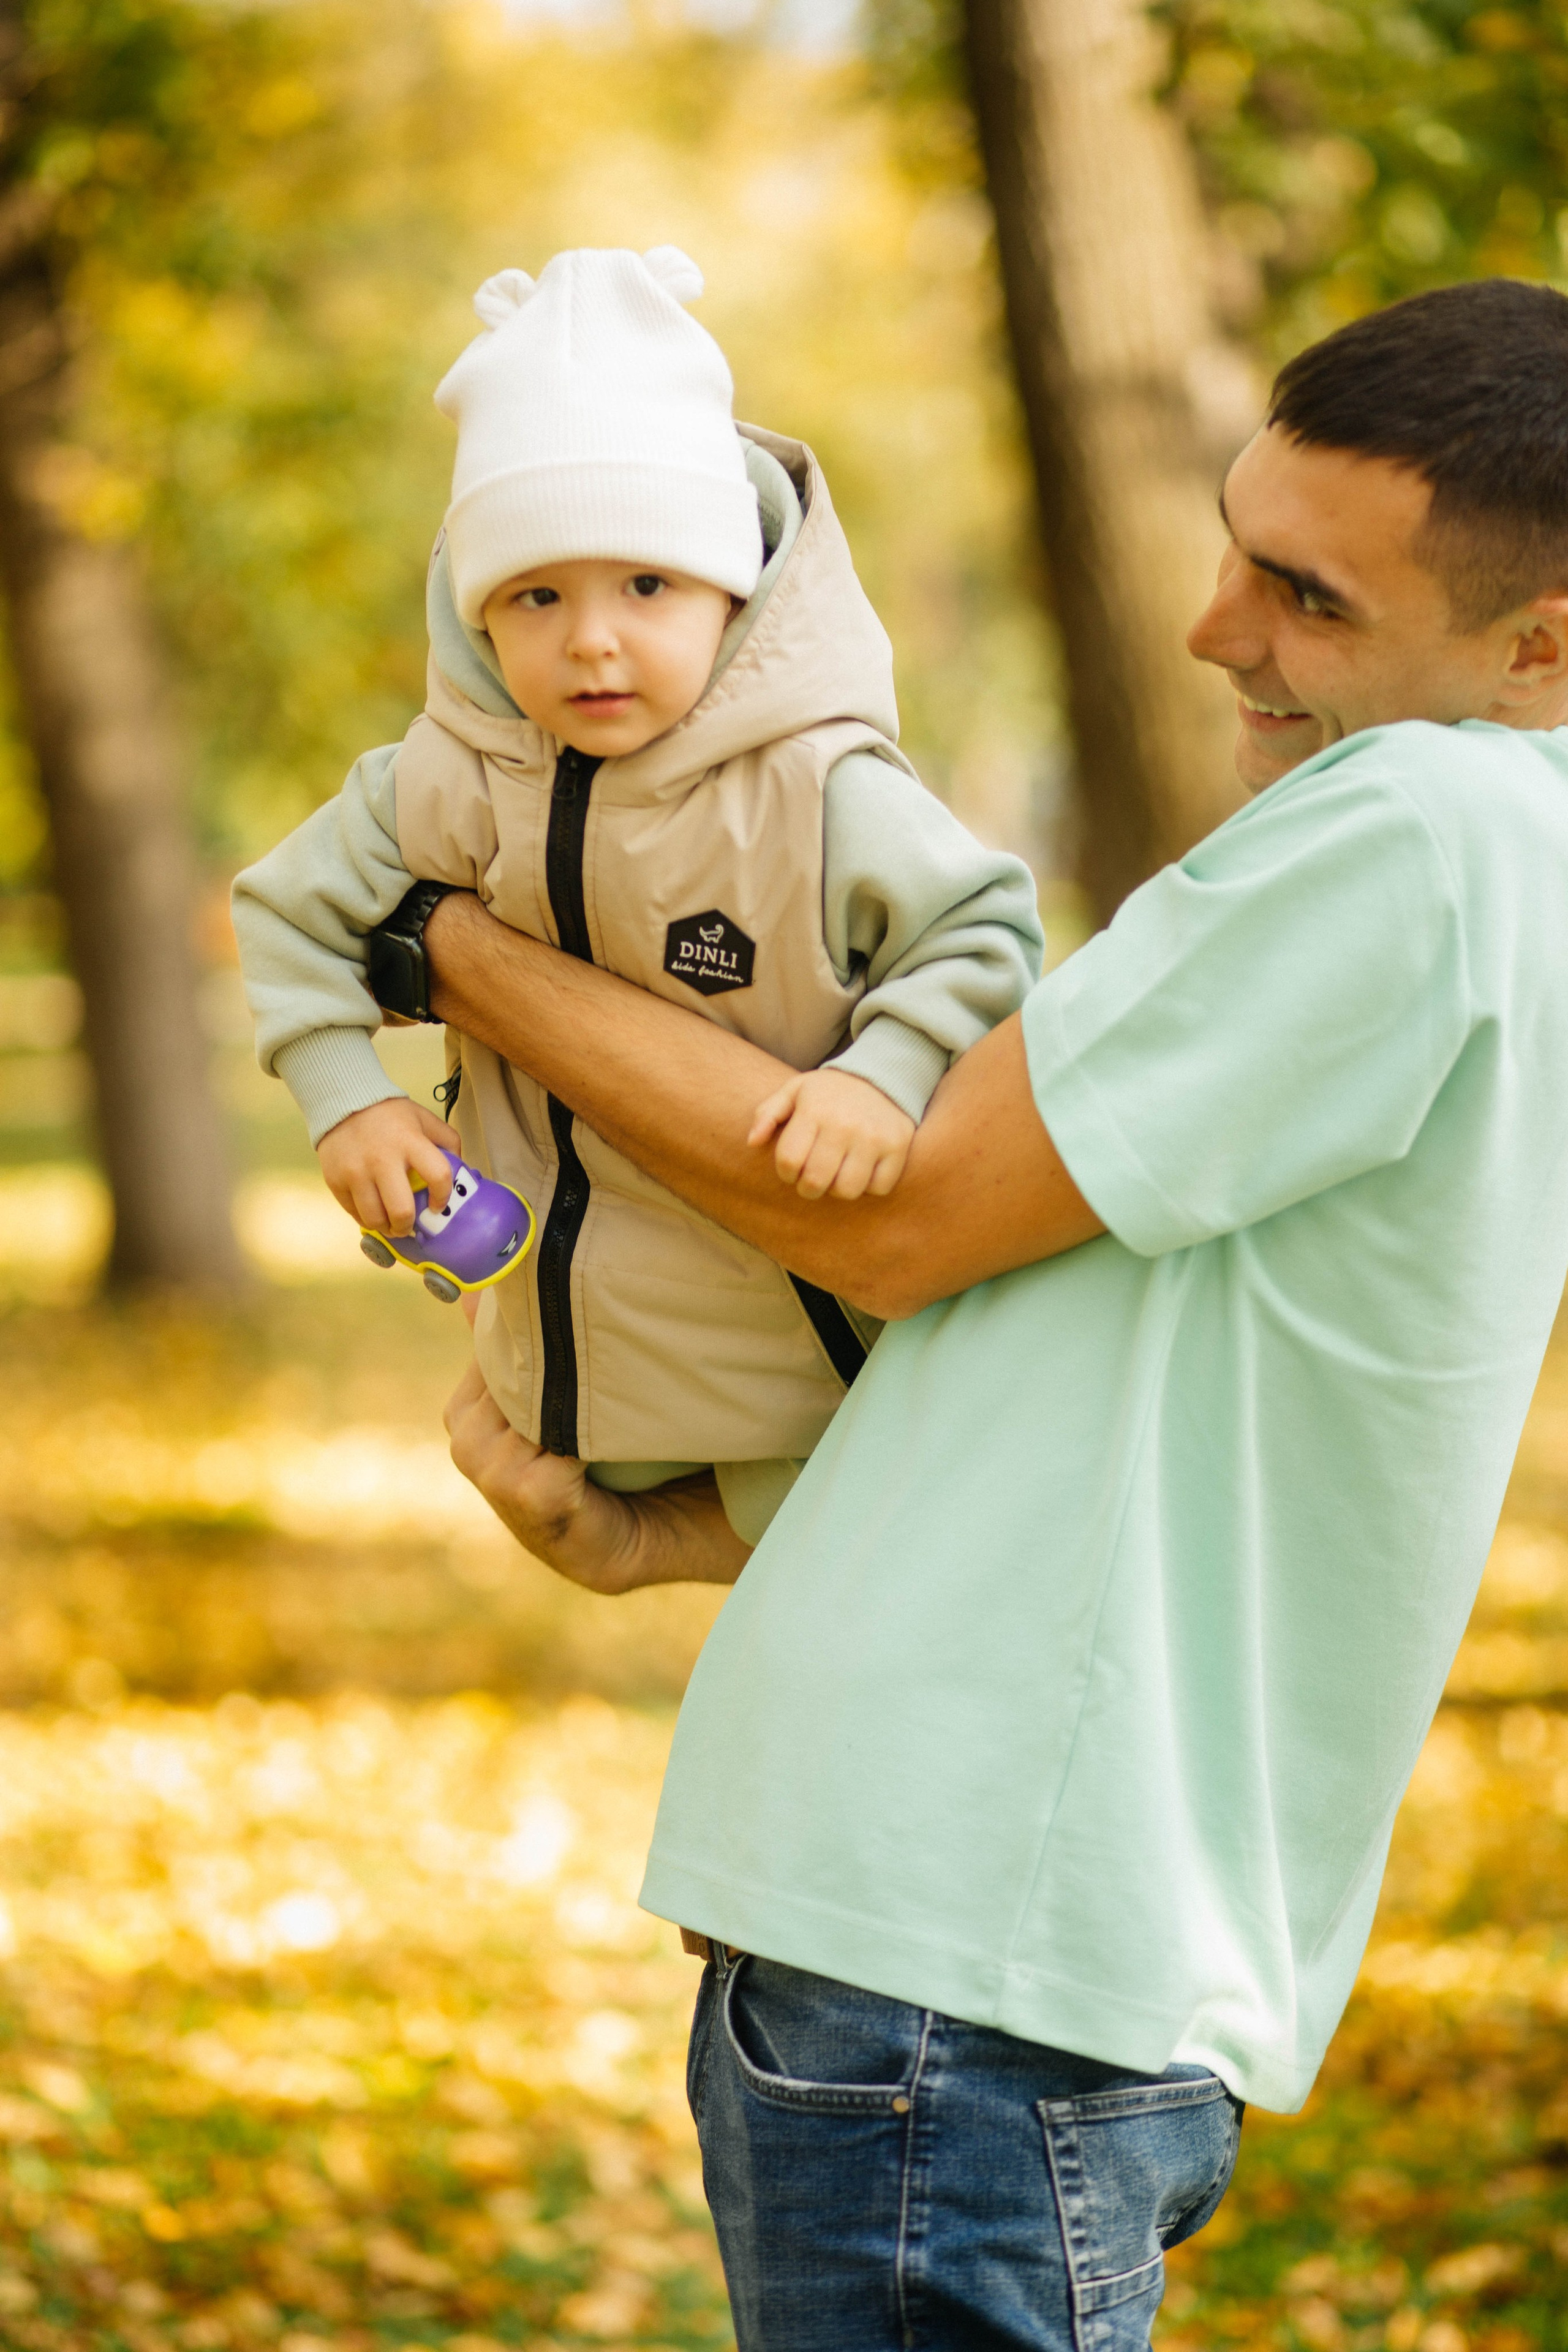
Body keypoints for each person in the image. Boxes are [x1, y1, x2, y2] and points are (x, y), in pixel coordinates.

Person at [420, 278, 1568, 2348]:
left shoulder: (1428, 824)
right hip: (1021, 1954)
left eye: (1306, 597)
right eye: (1234, 541)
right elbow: (1171, 1388)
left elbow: (887, 1214)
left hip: (967, 1973)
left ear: (1540, 648)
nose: (1218, 627)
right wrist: (699, 1534)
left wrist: (452, 953)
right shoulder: (1495, 866)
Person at [232, 245, 1041, 1546]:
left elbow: (982, 929)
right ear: (475, 615)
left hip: (826, 1376)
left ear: (731, 587)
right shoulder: (446, 780)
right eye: (535, 597)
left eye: (646, 586)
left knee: (849, 1622)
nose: (591, 638)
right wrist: (346, 1104)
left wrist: (882, 1071)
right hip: (565, 1377)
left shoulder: (815, 785)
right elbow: (289, 910)